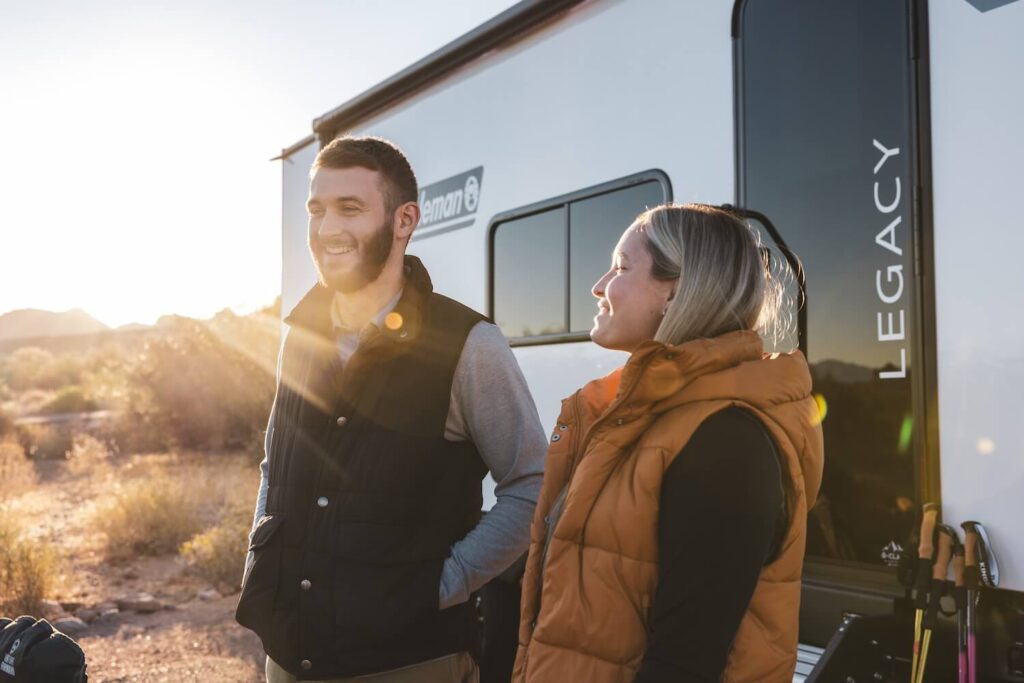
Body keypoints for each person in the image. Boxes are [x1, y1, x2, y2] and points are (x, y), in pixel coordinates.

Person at [236, 136, 546, 683]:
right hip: (289, 656)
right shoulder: (298, 338)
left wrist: (444, 582)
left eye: (349, 209)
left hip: (410, 661)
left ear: (405, 220)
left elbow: (533, 483)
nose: (326, 228)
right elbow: (274, 465)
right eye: (317, 209)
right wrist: (261, 556)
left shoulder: (469, 344)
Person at [511, 204, 825, 683]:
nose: (598, 286)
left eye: (620, 267)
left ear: (675, 291)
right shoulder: (634, 418)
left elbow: (685, 661)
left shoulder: (727, 442)